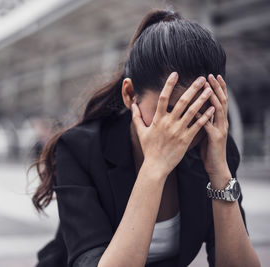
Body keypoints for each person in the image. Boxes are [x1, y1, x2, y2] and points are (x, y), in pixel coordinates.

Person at [28, 8, 261, 267]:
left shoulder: (213, 146)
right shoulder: (80, 149)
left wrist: (220, 174)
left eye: (201, 112)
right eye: (173, 112)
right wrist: (154, 169)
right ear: (129, 95)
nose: (185, 129)